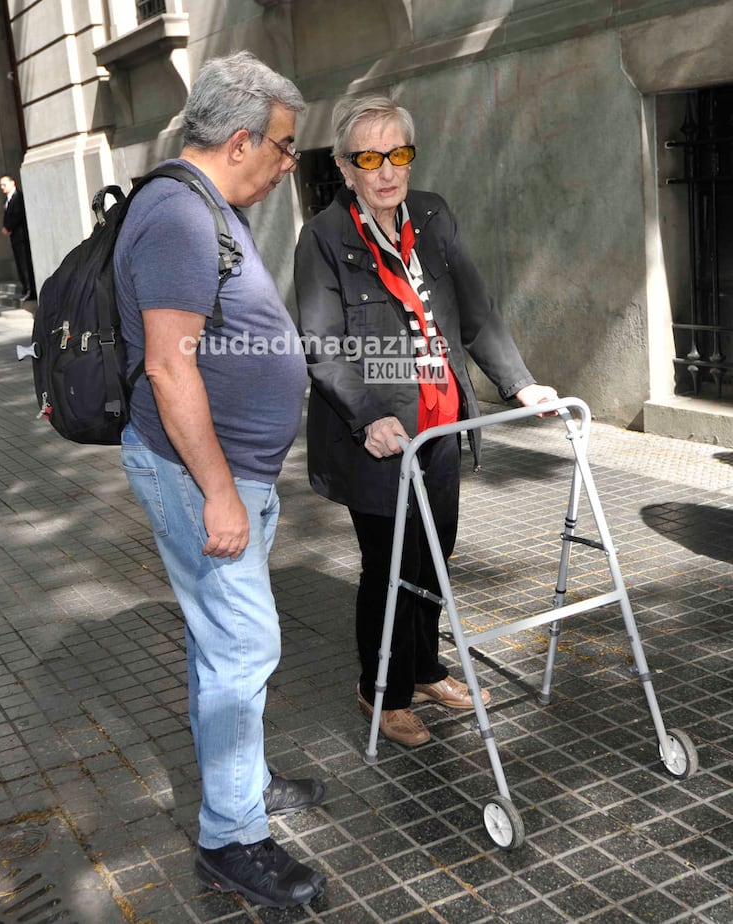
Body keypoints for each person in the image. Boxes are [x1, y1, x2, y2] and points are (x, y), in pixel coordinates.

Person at [114, 52, 326, 909]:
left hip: (231, 472)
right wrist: (221, 491)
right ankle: (231, 841)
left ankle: (244, 784)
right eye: (281, 147)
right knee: (245, 649)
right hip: (204, 475)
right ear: (240, 140)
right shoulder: (177, 216)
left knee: (221, 646)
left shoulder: (205, 204)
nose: (286, 165)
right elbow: (170, 370)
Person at [295, 95, 558, 749]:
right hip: (377, 439)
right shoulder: (324, 236)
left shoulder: (433, 216)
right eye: (370, 158)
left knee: (434, 554)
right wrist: (368, 418)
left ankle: (425, 669)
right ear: (344, 166)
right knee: (387, 564)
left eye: (399, 154)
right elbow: (321, 344)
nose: (387, 170)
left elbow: (475, 311)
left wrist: (519, 383)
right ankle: (379, 690)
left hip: (439, 428)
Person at [0, 174, 37, 301]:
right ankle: (25, 288)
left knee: (25, 264)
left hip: (21, 237)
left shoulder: (18, 197)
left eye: (4, 184)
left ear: (12, 183)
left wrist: (8, 227)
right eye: (1, 185)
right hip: (14, 238)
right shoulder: (7, 200)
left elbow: (18, 215)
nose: (2, 187)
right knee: (20, 264)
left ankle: (30, 290)